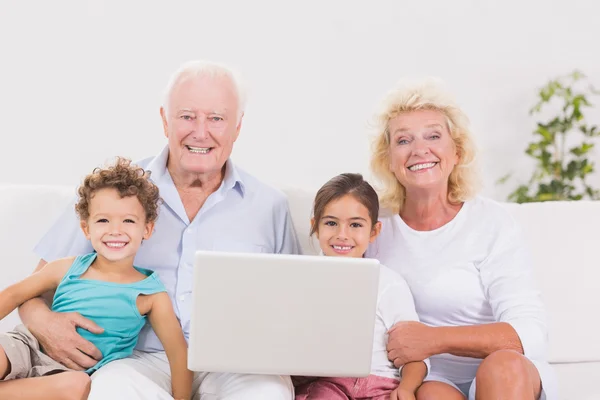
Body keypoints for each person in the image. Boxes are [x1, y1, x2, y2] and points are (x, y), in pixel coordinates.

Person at [17, 60, 301, 400]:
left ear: (237, 127)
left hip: (236, 366)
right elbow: (33, 288)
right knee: (110, 392)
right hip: (133, 360)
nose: (200, 131)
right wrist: (47, 327)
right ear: (165, 119)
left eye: (216, 118)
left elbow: (294, 308)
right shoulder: (115, 191)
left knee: (266, 395)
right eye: (186, 116)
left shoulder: (270, 205)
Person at [365, 77, 558, 400]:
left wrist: (434, 339)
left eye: (433, 136)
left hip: (504, 373)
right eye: (403, 140)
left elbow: (532, 333)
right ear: (389, 160)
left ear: (457, 151)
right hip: (429, 379)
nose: (419, 149)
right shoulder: (373, 226)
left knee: (502, 369)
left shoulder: (492, 222)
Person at [0, 157, 192, 400]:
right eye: (103, 220)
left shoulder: (150, 294)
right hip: (27, 346)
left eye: (128, 221)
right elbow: (13, 294)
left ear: (147, 229)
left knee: (78, 386)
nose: (115, 230)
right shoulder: (67, 267)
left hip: (70, 375)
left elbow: (178, 353)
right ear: (86, 228)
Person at [294, 173, 429, 400]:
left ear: (374, 231)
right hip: (328, 383)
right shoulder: (300, 281)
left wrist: (406, 388)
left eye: (355, 224)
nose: (342, 235)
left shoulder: (389, 283)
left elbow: (416, 354)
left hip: (384, 384)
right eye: (331, 223)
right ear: (315, 227)